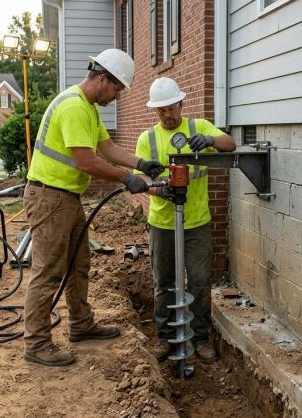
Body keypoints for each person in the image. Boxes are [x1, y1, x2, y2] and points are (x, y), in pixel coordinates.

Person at [23, 48, 165, 367]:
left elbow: (108, 147)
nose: (117, 96)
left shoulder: (88, 108)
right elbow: (87, 161)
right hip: (49, 197)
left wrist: (142, 163)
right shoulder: (74, 106)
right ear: (102, 79)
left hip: (66, 198)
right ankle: (36, 343)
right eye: (117, 88)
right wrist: (127, 178)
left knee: (79, 263)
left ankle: (80, 325)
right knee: (48, 270)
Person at [135, 77, 237, 364]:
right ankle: (167, 338)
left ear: (181, 103)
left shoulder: (198, 128)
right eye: (161, 110)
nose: (167, 115)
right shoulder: (148, 138)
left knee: (200, 281)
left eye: (171, 108)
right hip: (162, 222)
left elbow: (230, 144)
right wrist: (158, 188)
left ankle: (201, 339)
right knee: (163, 282)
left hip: (196, 223)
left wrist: (211, 140)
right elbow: (142, 178)